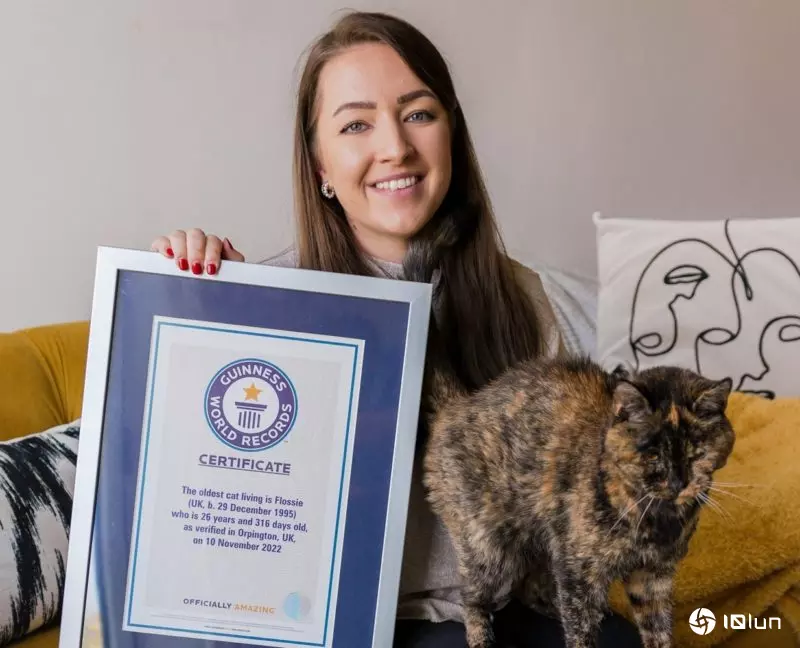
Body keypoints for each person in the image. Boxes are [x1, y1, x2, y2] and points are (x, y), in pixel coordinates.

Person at [150, 10, 642, 648]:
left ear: (451, 135)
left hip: (504, 614)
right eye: (356, 124)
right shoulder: (269, 298)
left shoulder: (523, 299)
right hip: (345, 626)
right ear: (320, 165)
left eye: (418, 113)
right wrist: (198, 300)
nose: (395, 147)